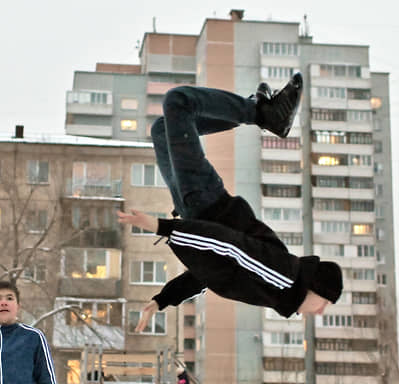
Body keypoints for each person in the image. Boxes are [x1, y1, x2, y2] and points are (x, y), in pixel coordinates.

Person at [117, 74, 343, 333]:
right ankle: (260, 113)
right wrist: (162, 227)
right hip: (207, 203)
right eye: (326, 302)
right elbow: (229, 245)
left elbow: (213, 273)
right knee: (177, 101)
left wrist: (164, 299)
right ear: (314, 287)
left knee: (161, 128)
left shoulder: (274, 293)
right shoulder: (284, 276)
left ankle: (255, 111)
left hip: (196, 207)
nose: (321, 311)